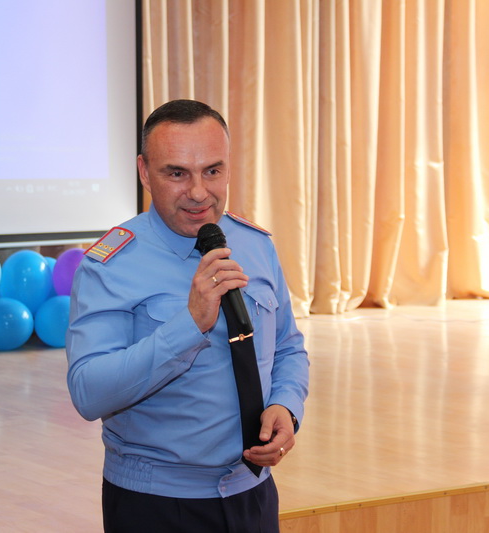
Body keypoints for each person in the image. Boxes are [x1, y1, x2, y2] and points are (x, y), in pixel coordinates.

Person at [66, 99, 309, 533]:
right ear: (144, 173)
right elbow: (88, 393)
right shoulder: (111, 265)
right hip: (156, 503)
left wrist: (285, 407)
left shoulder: (256, 244)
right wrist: (190, 323)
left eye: (212, 171)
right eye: (177, 173)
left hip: (252, 492)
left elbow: (289, 347)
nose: (198, 192)